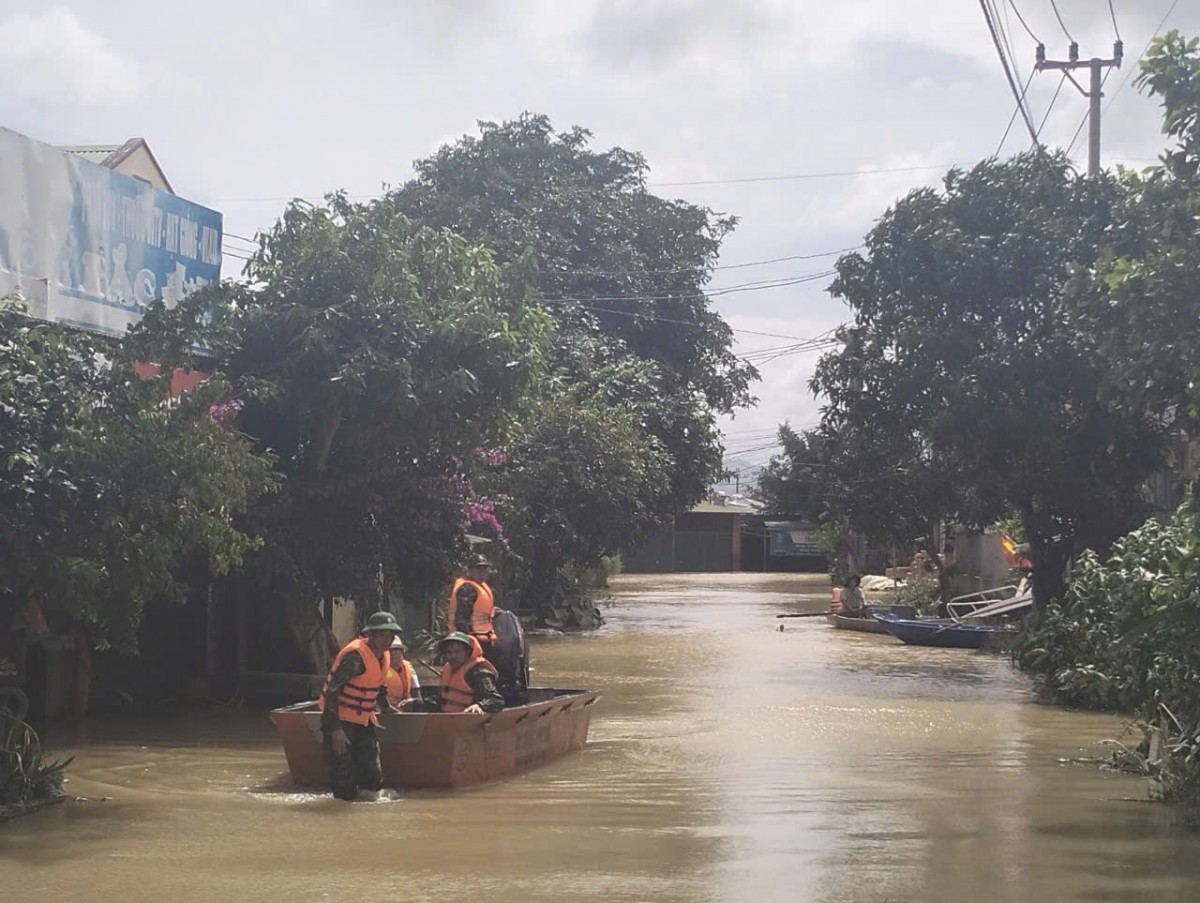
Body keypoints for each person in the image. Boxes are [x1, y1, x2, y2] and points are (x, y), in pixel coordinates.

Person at [317, 611, 401, 801]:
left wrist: (385, 706)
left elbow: (377, 683)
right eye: (381, 635)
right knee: (343, 779)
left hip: (363, 720)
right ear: (369, 635)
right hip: (340, 720)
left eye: (390, 635)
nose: (386, 640)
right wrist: (335, 730)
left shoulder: (383, 656)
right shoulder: (355, 657)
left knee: (372, 778)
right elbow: (332, 692)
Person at [436, 632, 504, 714]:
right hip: (447, 718)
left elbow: (496, 700)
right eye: (449, 652)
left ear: (467, 652)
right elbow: (442, 699)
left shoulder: (479, 673)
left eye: (457, 652)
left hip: (469, 720)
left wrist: (480, 705)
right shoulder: (448, 670)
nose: (453, 656)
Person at [448, 554, 496, 645]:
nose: (482, 573)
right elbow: (461, 620)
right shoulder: (467, 588)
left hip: (483, 636)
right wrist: (466, 643)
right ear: (469, 570)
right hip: (471, 639)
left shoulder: (480, 586)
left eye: (484, 569)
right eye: (478, 569)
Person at [384, 636, 420, 709]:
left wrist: (411, 701)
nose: (393, 653)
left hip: (406, 711)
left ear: (402, 652)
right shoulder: (380, 668)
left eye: (396, 649)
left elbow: (417, 695)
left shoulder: (409, 667)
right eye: (389, 650)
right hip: (386, 711)